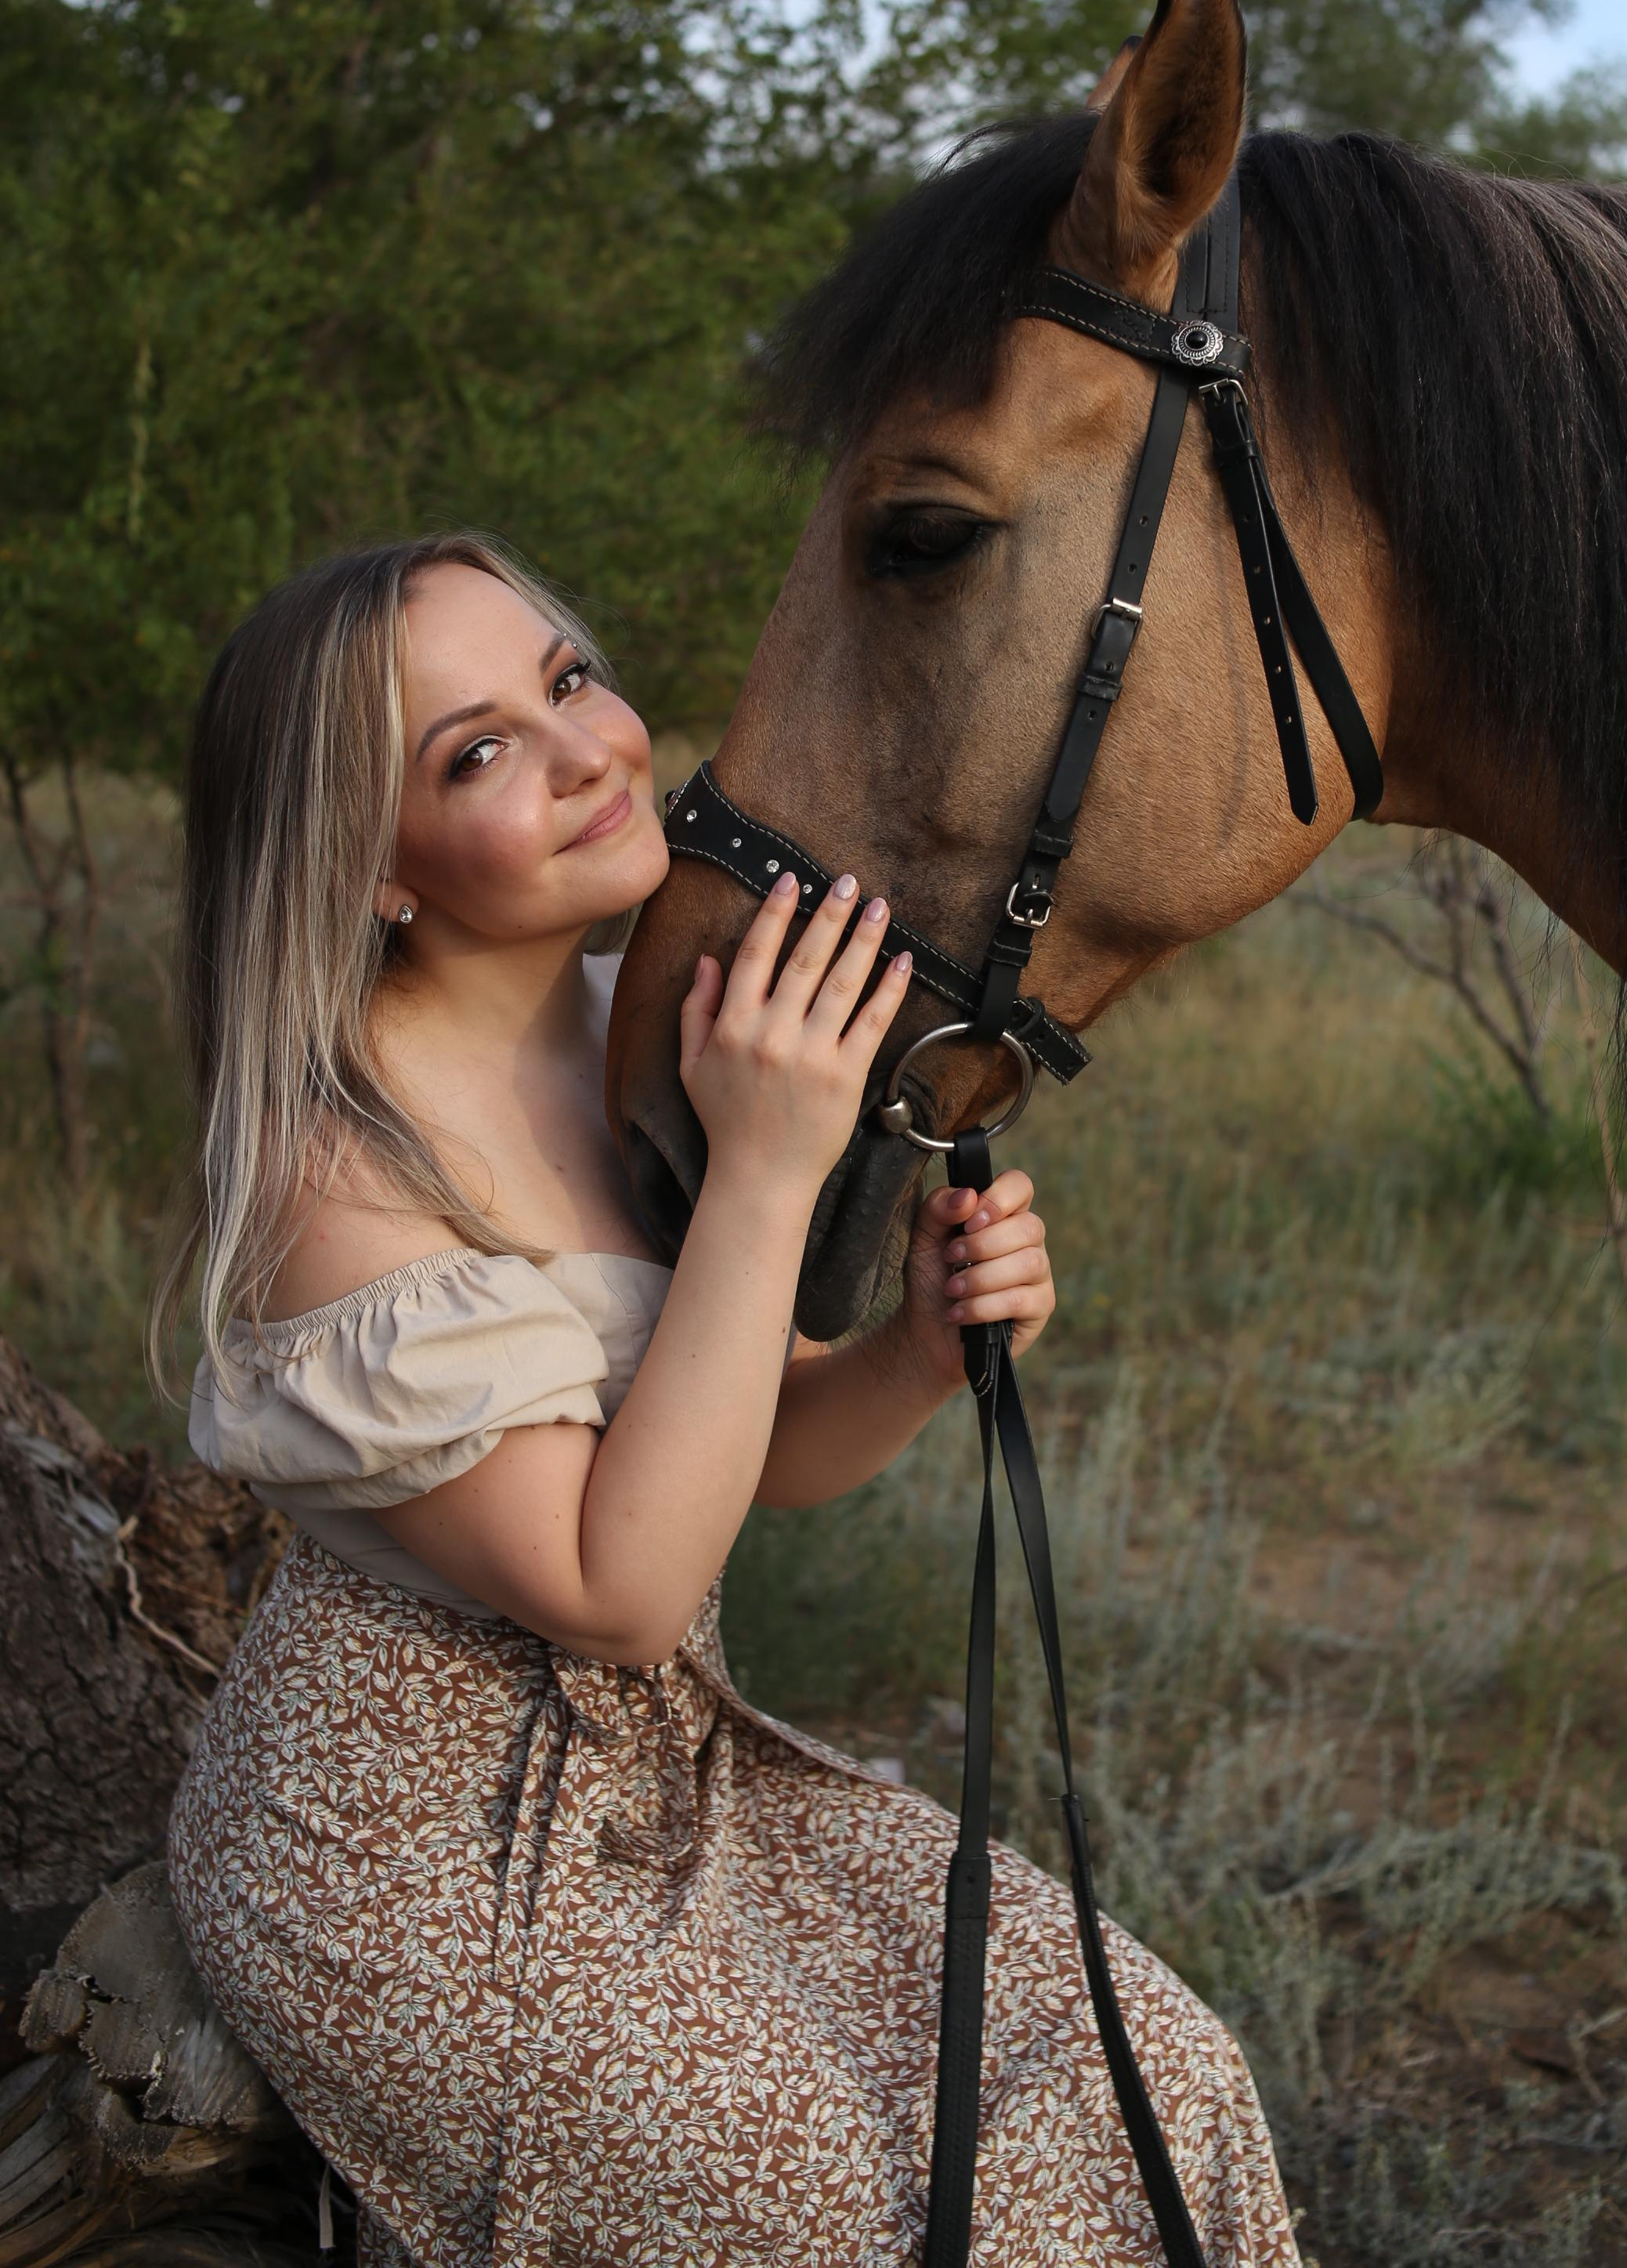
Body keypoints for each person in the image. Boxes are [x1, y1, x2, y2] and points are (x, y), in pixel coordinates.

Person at [163, 533, 1298, 2266]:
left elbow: (745, 1456)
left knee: (1153, 2074)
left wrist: (916, 1353)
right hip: (410, 1874)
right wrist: (767, 1173)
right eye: (478, 753)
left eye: (569, 680)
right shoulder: (344, 1170)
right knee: (903, 2214)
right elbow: (620, 1588)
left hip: (677, 1785)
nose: (586, 752)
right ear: (369, 865)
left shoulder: (642, 1028)